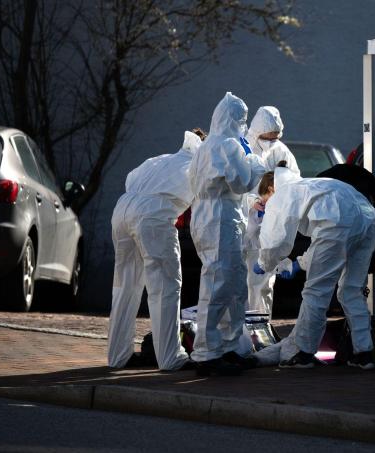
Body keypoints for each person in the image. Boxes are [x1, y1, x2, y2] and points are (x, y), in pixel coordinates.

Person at [253, 166, 375, 370]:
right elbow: (326, 240)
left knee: (315, 292)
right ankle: (364, 354)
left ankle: (303, 353)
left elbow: (275, 240)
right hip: (368, 221)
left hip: (339, 224)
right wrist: (299, 263)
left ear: (270, 189)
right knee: (351, 291)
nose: (265, 206)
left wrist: (263, 264)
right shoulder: (311, 186)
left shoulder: (282, 193)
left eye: (264, 200)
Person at [108, 129, 203, 371]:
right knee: (165, 287)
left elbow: (130, 179)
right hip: (154, 214)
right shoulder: (198, 166)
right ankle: (170, 357)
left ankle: (118, 356)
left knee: (124, 285)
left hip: (122, 210)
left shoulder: (160, 159)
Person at [188, 92, 266, 375]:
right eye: (242, 119)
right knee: (220, 284)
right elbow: (242, 182)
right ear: (234, 119)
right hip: (221, 216)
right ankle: (208, 352)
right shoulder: (229, 145)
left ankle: (228, 347)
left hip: (206, 214)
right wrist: (256, 165)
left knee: (231, 284)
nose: (244, 124)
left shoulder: (206, 146)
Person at [243, 106, 300, 315]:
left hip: (268, 224)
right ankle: (237, 335)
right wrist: (249, 201)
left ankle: (260, 331)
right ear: (258, 132)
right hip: (244, 223)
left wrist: (276, 202)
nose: (271, 141)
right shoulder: (243, 147)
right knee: (239, 283)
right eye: (268, 137)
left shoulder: (281, 150)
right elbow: (232, 185)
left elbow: (293, 181)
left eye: (275, 137)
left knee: (263, 284)